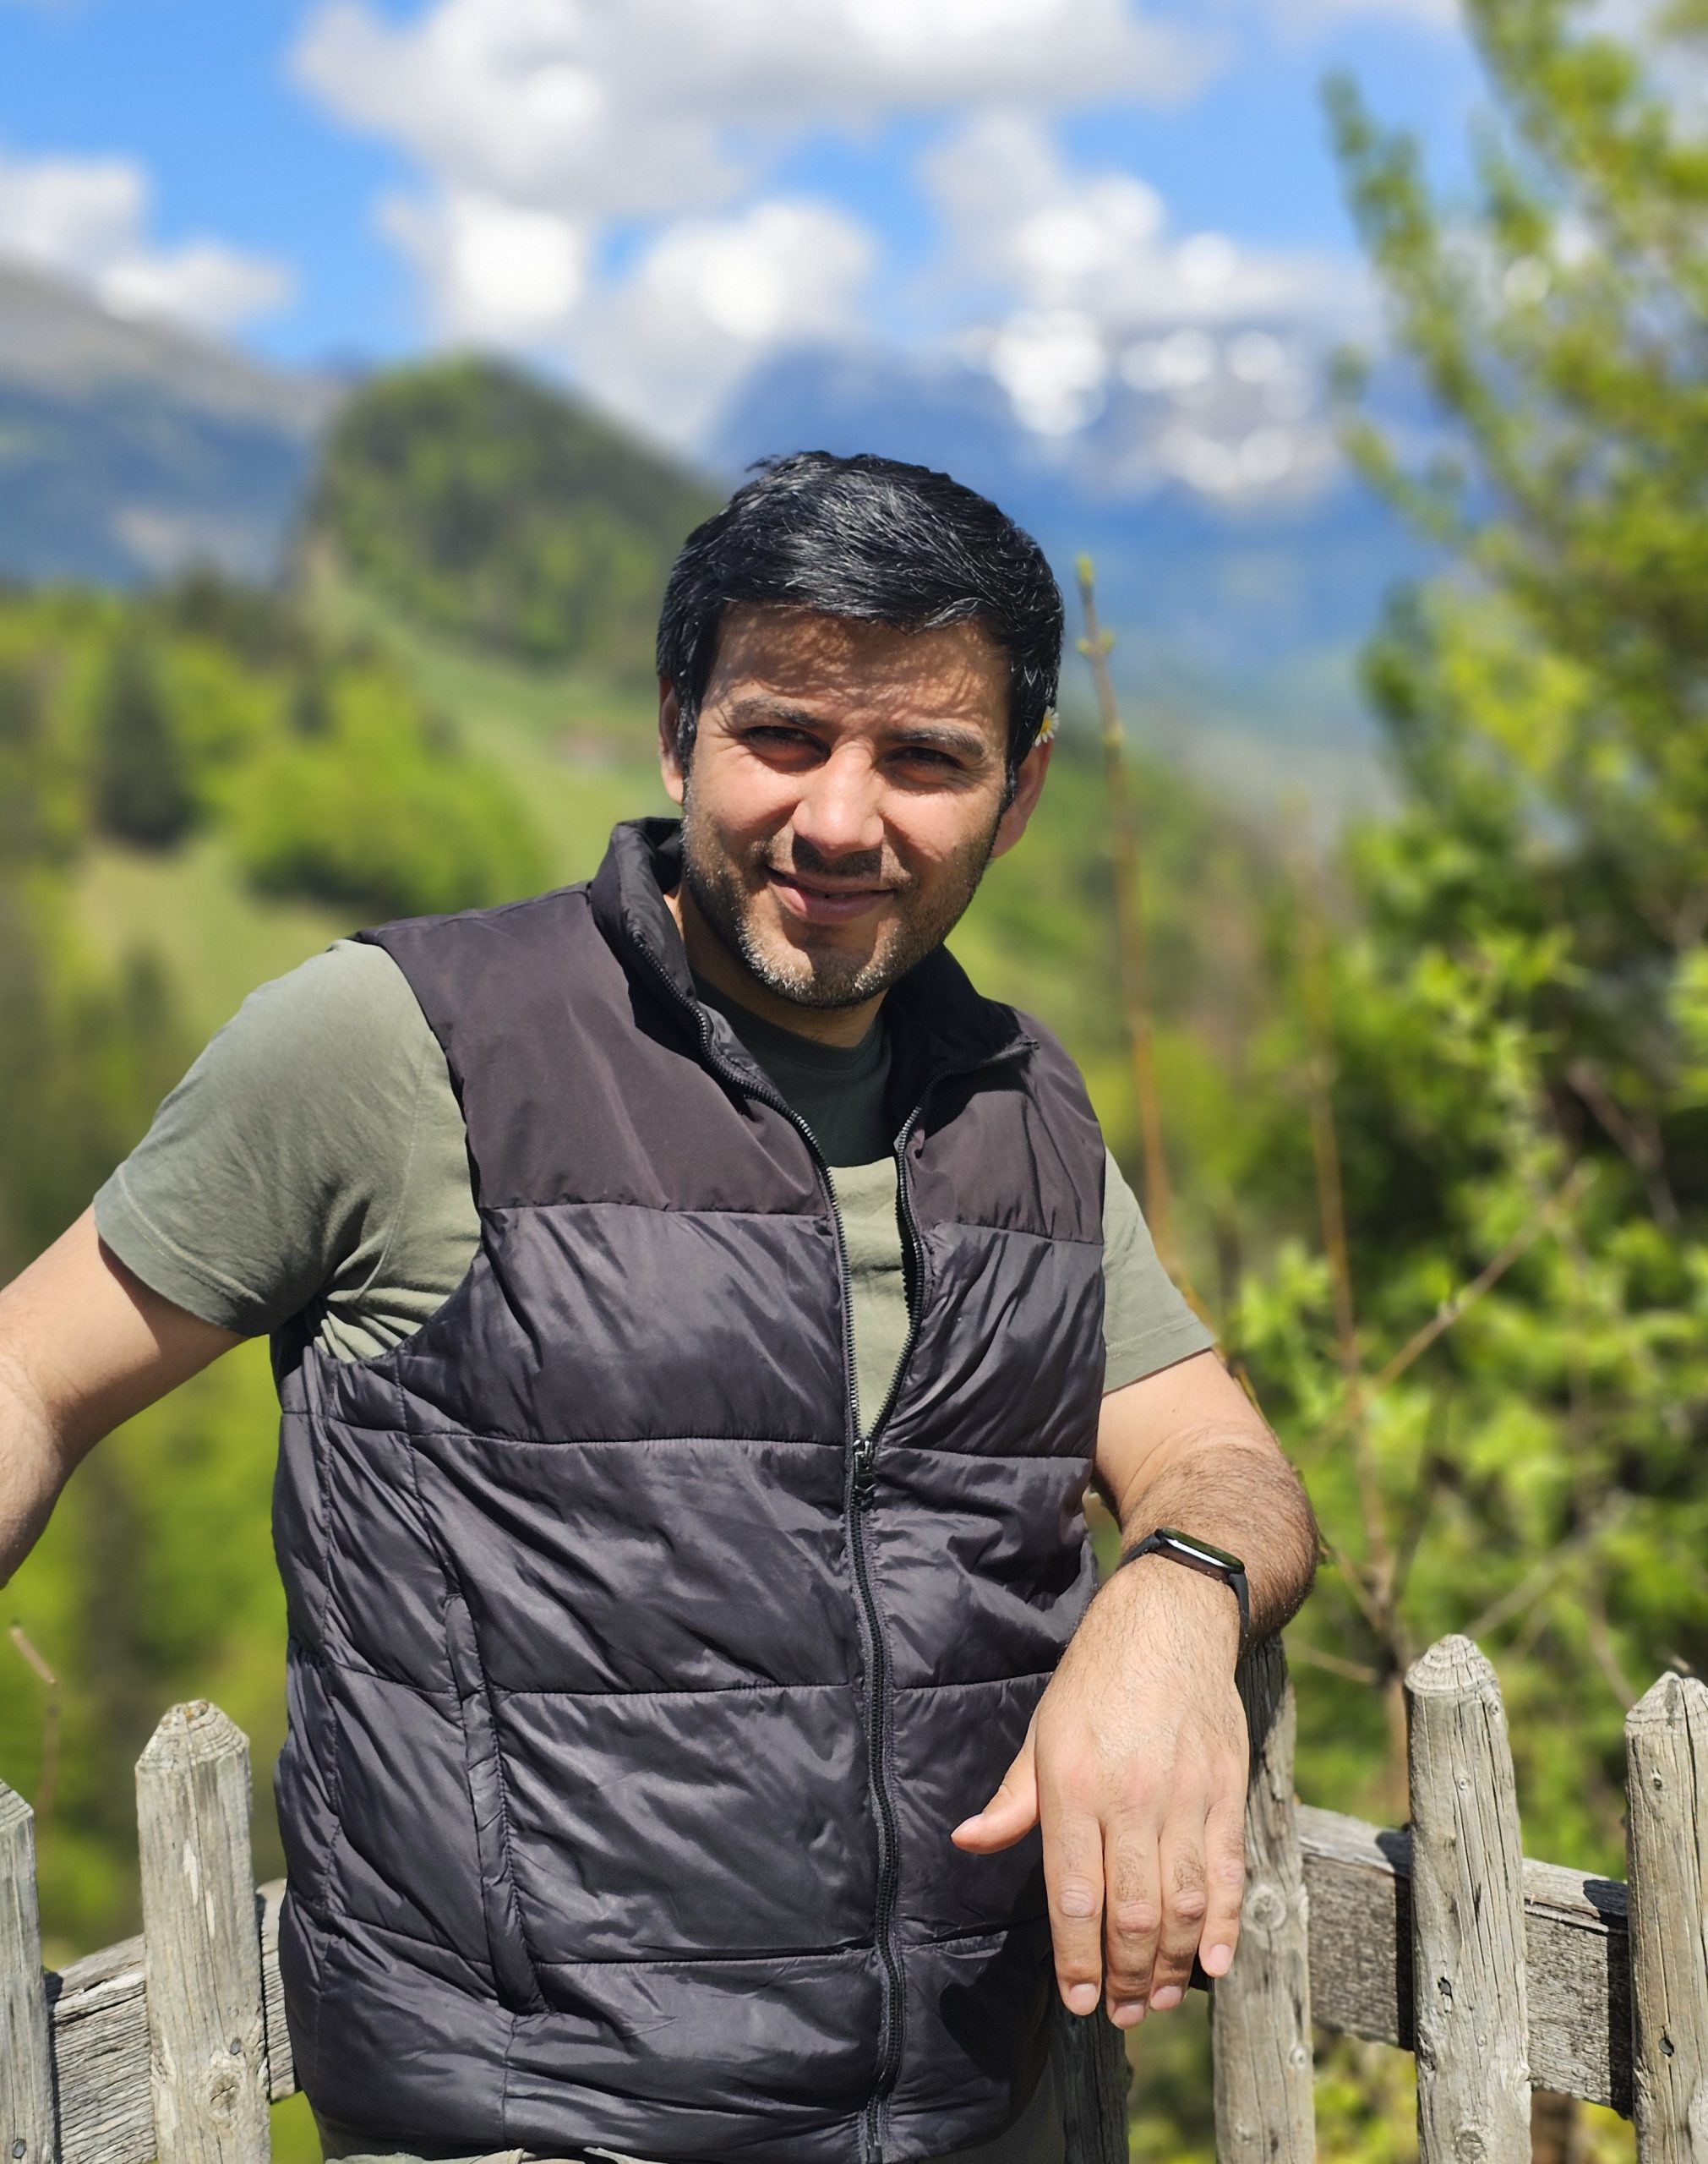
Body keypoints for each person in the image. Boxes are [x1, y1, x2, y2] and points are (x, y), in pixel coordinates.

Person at [0, 452, 1317, 2164]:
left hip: (973, 2121)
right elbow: (31, 1375)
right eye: (784, 734)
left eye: (925, 758)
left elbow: (1220, 1457)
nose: (839, 819)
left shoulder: (1019, 1110)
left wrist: (1178, 1597)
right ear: (677, 728)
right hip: (531, 2127)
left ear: (1021, 792)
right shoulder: (407, 1042)